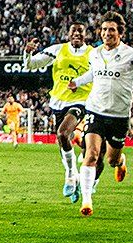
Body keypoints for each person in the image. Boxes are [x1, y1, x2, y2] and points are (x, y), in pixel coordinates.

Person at [66, 12, 133, 216]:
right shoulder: (95, 53)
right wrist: (77, 82)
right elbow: (93, 73)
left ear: (120, 33)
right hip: (95, 111)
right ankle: (87, 200)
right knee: (91, 155)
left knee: (111, 160)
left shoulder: (132, 55)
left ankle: (120, 161)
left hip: (119, 116)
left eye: (112, 30)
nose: (107, 33)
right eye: (105, 29)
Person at [24, 22, 93, 202]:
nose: (77, 33)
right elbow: (30, 64)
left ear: (86, 34)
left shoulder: (93, 54)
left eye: (80, 31)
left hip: (80, 101)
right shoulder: (57, 50)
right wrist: (28, 52)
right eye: (73, 30)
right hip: (58, 102)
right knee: (62, 141)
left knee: (63, 133)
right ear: (68, 34)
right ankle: (75, 177)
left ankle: (70, 174)